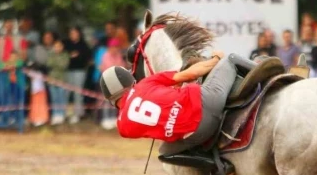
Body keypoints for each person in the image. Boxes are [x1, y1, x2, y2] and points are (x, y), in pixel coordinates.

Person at [100, 53, 277, 156]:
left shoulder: (122, 127)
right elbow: (191, 74)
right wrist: (215, 59)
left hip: (198, 133)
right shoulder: (144, 83)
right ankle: (277, 76)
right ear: (128, 81)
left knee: (164, 153)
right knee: (230, 59)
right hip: (206, 103)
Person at [64, 26, 91, 124]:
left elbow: (87, 57)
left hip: (80, 71)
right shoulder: (66, 44)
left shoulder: (83, 45)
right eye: (71, 33)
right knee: (67, 93)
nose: (73, 35)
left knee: (77, 93)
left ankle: (78, 114)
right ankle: (66, 113)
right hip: (68, 71)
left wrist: (78, 56)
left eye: (74, 33)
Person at [99, 38, 126, 129]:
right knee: (106, 101)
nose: (115, 49)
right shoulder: (106, 55)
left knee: (116, 101)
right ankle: (105, 118)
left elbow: (122, 67)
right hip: (107, 82)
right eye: (113, 47)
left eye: (116, 47)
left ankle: (112, 118)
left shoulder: (118, 55)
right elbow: (109, 68)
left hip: (117, 83)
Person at [47, 38, 70, 125]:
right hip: (52, 79)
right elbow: (49, 64)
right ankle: (55, 114)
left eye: (59, 46)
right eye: (55, 46)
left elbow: (64, 65)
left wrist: (55, 63)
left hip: (62, 79)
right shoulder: (51, 55)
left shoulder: (65, 55)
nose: (57, 48)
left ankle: (61, 115)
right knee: (54, 98)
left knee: (61, 98)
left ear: (62, 47)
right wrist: (57, 63)